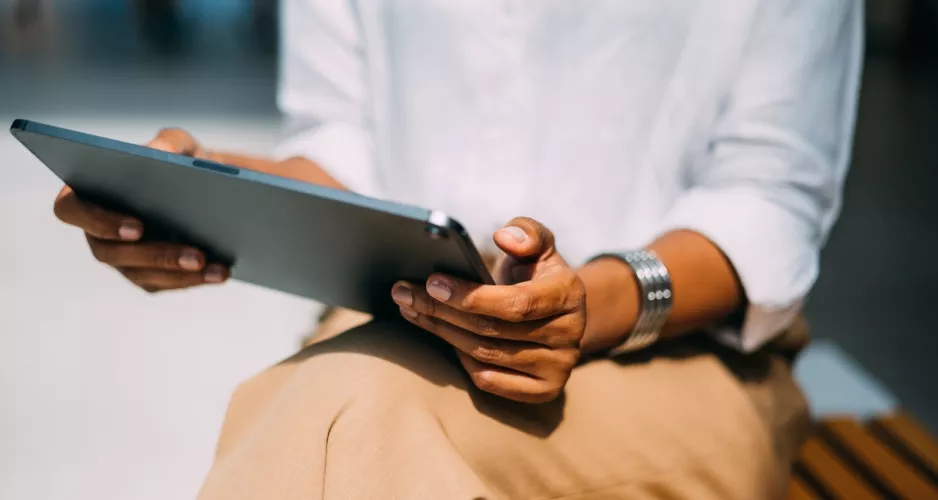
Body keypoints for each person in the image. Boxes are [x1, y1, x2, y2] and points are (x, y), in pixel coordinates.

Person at [52, 1, 863, 498]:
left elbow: (769, 197)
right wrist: (199, 192)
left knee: (341, 424)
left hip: (678, 355)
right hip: (401, 328)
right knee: (347, 413)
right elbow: (343, 142)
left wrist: (588, 308)